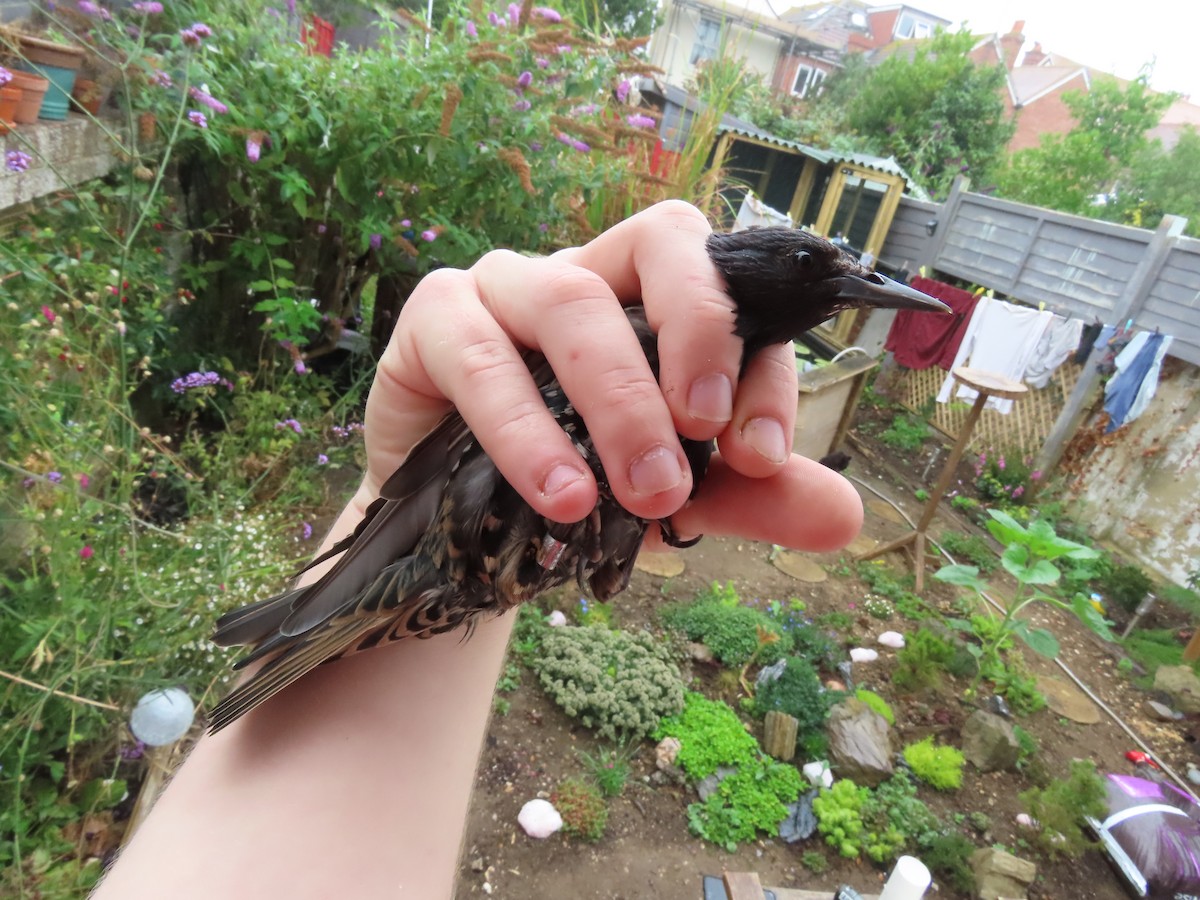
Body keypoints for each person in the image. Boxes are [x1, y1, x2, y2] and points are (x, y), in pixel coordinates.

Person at [93, 201, 864, 899]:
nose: (846, 283)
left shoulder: (676, 359)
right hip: (452, 563)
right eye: (808, 264)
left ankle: (320, 617)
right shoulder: (644, 335)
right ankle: (318, 617)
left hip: (458, 569)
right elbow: (486, 516)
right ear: (748, 267)